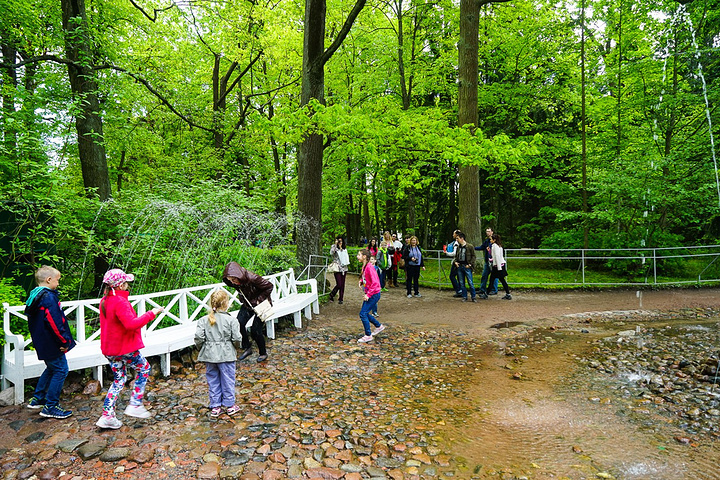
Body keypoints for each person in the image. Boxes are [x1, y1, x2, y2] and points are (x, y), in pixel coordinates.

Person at [96, 269, 164, 429]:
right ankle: (135, 404)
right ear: (120, 285)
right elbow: (131, 324)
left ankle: (107, 415)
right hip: (124, 348)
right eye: (126, 282)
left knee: (119, 380)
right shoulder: (120, 302)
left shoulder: (105, 300)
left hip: (110, 350)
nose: (128, 285)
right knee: (144, 369)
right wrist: (151, 313)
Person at [24, 266, 76, 419]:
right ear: (48, 280)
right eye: (57, 280)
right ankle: (51, 406)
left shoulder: (35, 295)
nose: (58, 284)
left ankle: (38, 398)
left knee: (52, 368)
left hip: (42, 341)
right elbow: (54, 322)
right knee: (61, 370)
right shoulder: (48, 298)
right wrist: (64, 341)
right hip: (53, 342)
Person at [194, 288, 242, 417]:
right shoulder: (231, 320)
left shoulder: (203, 320)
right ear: (226, 304)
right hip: (226, 354)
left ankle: (215, 406)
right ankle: (230, 405)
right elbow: (237, 338)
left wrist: (202, 348)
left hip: (209, 355)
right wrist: (235, 348)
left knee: (213, 380)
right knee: (228, 379)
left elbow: (198, 337)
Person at [222, 262, 274, 362]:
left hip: (261, 305)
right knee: (239, 323)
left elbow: (269, 286)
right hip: (248, 304)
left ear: (238, 275)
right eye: (230, 280)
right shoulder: (236, 282)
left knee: (256, 330)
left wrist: (258, 300)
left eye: (233, 279)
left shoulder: (253, 278)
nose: (233, 282)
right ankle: (247, 348)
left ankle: (263, 353)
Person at [356, 249, 385, 343]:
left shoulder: (369, 267)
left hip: (373, 294)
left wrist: (368, 295)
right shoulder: (365, 266)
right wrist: (361, 281)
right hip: (371, 293)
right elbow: (366, 278)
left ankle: (368, 335)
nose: (357, 256)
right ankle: (378, 326)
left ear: (364, 256)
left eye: (359, 255)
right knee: (364, 313)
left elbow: (375, 283)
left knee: (363, 313)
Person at [454, 232, 477, 302]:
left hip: (467, 266)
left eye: (457, 238)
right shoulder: (458, 247)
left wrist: (470, 264)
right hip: (460, 266)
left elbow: (474, 256)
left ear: (462, 238)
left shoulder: (470, 246)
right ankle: (464, 296)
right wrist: (455, 262)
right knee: (461, 283)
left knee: (470, 282)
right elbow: (456, 256)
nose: (457, 240)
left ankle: (473, 297)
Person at [477, 227, 499, 299]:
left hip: (493, 262)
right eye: (487, 231)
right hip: (487, 261)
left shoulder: (495, 243)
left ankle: (494, 289)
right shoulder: (487, 241)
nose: (488, 233)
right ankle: (482, 289)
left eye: (489, 231)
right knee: (484, 275)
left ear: (492, 232)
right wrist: (473, 248)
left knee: (494, 276)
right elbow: (482, 247)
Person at [489, 233, 512, 300]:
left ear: (494, 240)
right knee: (500, 280)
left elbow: (497, 256)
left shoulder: (495, 246)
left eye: (491, 239)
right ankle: (508, 293)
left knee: (493, 279)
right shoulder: (499, 246)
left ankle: (486, 293)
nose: (490, 240)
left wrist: (498, 267)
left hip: (497, 266)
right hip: (500, 265)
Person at [329, 235, 349, 304]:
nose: (340, 242)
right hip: (337, 267)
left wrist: (341, 248)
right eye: (338, 240)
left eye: (341, 241)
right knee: (339, 284)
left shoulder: (344, 248)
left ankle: (341, 298)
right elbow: (331, 253)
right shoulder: (334, 247)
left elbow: (345, 257)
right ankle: (332, 294)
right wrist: (335, 245)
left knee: (342, 284)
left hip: (344, 268)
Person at [446, 230, 462, 297]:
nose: (453, 235)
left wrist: (447, 253)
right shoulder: (461, 242)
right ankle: (461, 290)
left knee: (452, 276)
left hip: (456, 262)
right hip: (461, 261)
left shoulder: (456, 243)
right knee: (459, 276)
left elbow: (454, 253)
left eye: (454, 234)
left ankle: (458, 290)